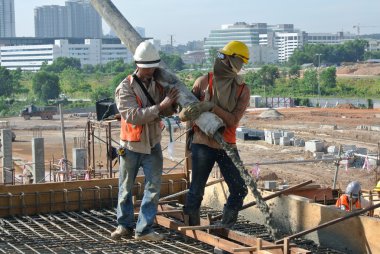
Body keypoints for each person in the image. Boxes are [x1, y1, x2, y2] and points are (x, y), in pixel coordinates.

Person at [112, 40, 179, 241]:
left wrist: (172, 104)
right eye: (147, 67)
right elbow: (133, 115)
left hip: (152, 144)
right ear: (138, 65)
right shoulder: (125, 88)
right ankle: (123, 225)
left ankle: (144, 229)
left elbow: (165, 110)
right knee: (125, 187)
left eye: (153, 67)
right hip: (131, 145)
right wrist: (161, 106)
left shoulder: (157, 85)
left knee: (153, 187)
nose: (150, 71)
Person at [181, 41, 250, 228]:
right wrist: (188, 138)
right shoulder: (203, 82)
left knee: (239, 188)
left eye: (225, 59)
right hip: (202, 143)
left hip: (227, 144)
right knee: (196, 190)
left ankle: (225, 227)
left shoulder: (242, 89)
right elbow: (187, 112)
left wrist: (212, 107)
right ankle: (191, 228)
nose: (221, 61)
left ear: (235, 62)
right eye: (221, 57)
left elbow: (233, 120)